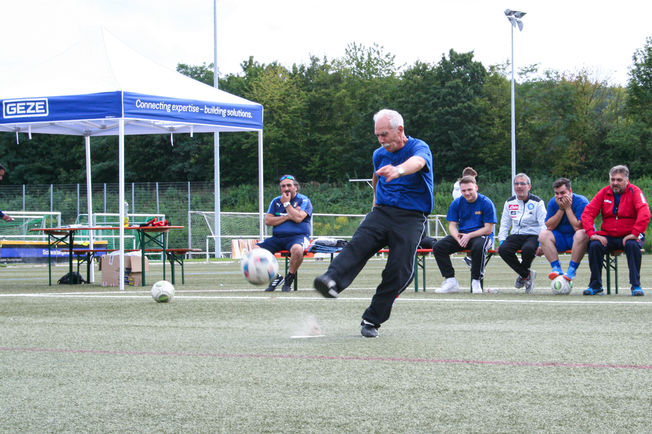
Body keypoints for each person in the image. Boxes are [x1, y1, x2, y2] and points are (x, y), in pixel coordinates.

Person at [313, 109, 433, 338]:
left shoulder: (419, 147)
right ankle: (331, 281)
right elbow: (376, 176)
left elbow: (417, 163)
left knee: (399, 271)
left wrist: (398, 170)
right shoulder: (379, 154)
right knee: (357, 245)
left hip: (411, 217)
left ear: (400, 130)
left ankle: (372, 320)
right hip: (382, 212)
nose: (381, 140)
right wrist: (376, 201)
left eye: (384, 134)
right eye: (377, 135)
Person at [580, 165, 650, 296]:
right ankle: (595, 285)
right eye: (612, 180)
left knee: (633, 245)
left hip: (631, 235)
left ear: (626, 180)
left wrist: (635, 233)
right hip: (609, 235)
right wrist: (592, 234)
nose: (615, 183)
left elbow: (645, 213)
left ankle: (636, 285)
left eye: (619, 180)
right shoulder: (604, 192)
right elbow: (587, 213)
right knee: (594, 245)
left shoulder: (636, 192)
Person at [433, 176, 496, 294]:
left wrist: (469, 235)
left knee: (479, 246)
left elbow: (488, 229)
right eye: (463, 191)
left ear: (476, 187)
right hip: (462, 236)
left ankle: (476, 280)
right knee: (438, 247)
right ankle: (451, 281)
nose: (467, 193)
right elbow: (452, 225)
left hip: (481, 236)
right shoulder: (456, 203)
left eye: (469, 189)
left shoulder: (486, 202)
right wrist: (457, 237)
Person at [256, 174, 312, 292]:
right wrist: (288, 216)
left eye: (289, 185)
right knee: (254, 251)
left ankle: (289, 278)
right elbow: (268, 221)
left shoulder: (304, 200)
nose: (286, 189)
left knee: (297, 250)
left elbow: (298, 218)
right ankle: (275, 277)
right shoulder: (276, 201)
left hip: (298, 237)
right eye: (283, 186)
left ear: (296, 187)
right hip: (277, 238)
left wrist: (286, 204)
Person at [497, 173, 546, 293]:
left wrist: (542, 243)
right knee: (503, 250)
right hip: (516, 235)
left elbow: (544, 224)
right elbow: (505, 224)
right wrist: (502, 240)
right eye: (516, 184)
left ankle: (523, 275)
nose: (519, 186)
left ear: (529, 186)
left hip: (533, 235)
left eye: (522, 184)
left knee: (528, 249)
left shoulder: (538, 202)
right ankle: (526, 274)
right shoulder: (509, 202)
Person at [538, 178, 589, 282]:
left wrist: (568, 208)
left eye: (562, 193)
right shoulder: (553, 202)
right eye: (556, 193)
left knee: (581, 233)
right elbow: (550, 226)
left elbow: (577, 227)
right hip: (561, 237)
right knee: (543, 234)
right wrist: (561, 209)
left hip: (579, 239)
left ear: (570, 191)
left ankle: (572, 269)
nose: (559, 196)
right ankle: (556, 268)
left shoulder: (581, 201)